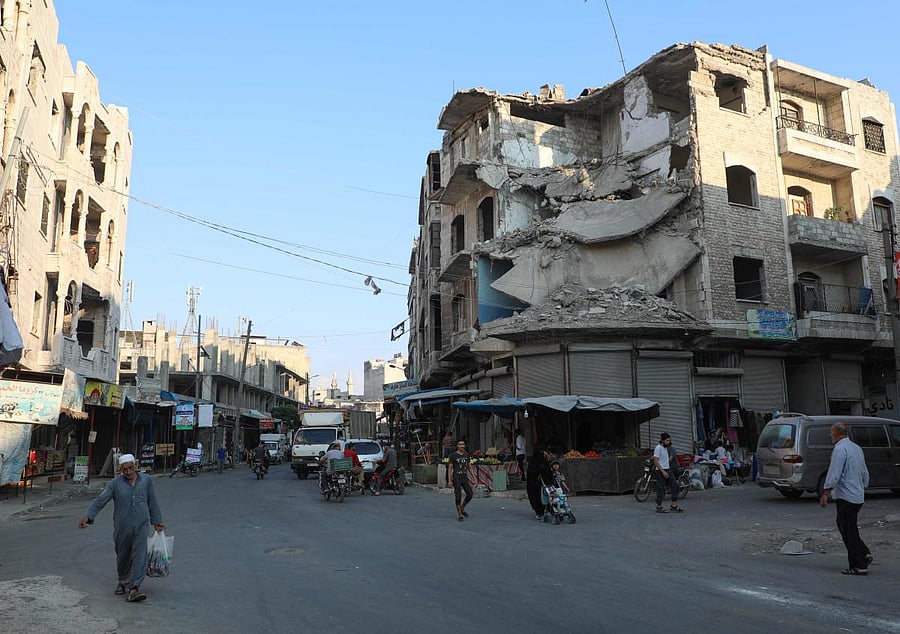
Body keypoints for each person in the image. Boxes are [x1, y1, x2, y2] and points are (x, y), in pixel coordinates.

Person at [78, 454, 164, 603]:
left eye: (131, 468)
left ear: (135, 466)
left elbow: (152, 501)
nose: (129, 472)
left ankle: (134, 588)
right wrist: (89, 516)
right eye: (125, 470)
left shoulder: (146, 481)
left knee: (140, 556)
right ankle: (123, 580)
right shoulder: (115, 484)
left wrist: (157, 521)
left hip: (142, 526)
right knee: (123, 557)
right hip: (122, 527)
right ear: (120, 470)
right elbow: (100, 501)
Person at [820, 422, 872, 575]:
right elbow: (864, 471)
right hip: (857, 495)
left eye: (831, 432)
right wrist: (863, 486)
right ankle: (863, 553)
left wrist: (825, 492)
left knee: (847, 529)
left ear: (836, 433)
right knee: (850, 528)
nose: (830, 435)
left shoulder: (840, 449)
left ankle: (859, 564)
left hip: (846, 495)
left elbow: (834, 473)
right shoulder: (856, 448)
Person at [653, 432, 683, 513]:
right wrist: (663, 471)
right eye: (667, 440)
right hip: (660, 471)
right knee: (661, 488)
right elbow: (656, 461)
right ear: (662, 440)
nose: (668, 442)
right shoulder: (658, 448)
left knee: (675, 486)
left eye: (669, 440)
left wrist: (667, 470)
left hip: (668, 469)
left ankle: (674, 505)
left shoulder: (666, 448)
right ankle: (658, 506)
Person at [449, 439, 473, 521]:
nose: (462, 446)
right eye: (460, 444)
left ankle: (462, 508)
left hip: (464, 477)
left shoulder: (466, 454)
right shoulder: (453, 455)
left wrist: (474, 478)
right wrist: (449, 480)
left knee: (470, 494)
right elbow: (450, 468)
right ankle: (460, 515)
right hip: (456, 477)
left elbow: (469, 467)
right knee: (458, 496)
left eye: (463, 444)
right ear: (457, 446)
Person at [526, 444, 551, 520]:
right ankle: (539, 512)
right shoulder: (533, 461)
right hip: (535, 484)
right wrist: (539, 471)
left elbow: (549, 472)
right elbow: (530, 472)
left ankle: (545, 510)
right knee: (536, 498)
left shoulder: (545, 461)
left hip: (544, 484)